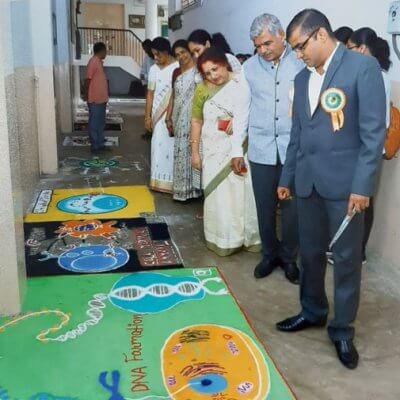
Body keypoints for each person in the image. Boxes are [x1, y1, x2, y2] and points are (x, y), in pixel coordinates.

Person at [276, 9, 386, 369]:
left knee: (346, 261)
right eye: (294, 49)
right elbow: (298, 134)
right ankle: (313, 310)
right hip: (307, 184)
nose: (297, 54)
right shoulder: (302, 77)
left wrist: (362, 187)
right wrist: (286, 178)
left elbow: (373, 135)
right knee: (309, 254)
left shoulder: (361, 69)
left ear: (320, 35)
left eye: (300, 46)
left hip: (345, 189)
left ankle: (342, 329)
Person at [242, 13, 303, 284]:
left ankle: (289, 258)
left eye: (267, 43)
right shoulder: (249, 68)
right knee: (264, 207)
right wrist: (236, 148)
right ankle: (269, 255)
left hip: (293, 150)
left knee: (291, 210)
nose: (262, 50)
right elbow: (242, 108)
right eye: (258, 46)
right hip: (261, 148)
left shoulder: (301, 62)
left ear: (281, 35)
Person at [190, 47, 260, 256]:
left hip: (239, 148)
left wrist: (238, 123)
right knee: (218, 196)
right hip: (212, 149)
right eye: (207, 73)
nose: (213, 76)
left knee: (243, 194)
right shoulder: (202, 88)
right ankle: (223, 238)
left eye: (215, 69)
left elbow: (254, 112)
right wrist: (195, 152)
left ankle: (248, 238)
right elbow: (196, 120)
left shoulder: (242, 84)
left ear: (225, 63)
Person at [346, 27, 391, 265]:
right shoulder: (373, 72)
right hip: (366, 147)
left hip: (369, 148)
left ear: (361, 49)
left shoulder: (374, 74)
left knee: (364, 199)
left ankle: (358, 252)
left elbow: (376, 121)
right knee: (363, 199)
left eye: (350, 49)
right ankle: (354, 250)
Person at [165, 40, 202, 201]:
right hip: (179, 118)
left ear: (189, 51)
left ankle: (196, 190)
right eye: (177, 54)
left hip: (195, 118)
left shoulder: (199, 70)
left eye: (183, 52)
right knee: (181, 152)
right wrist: (168, 116)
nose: (181, 56)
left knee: (194, 152)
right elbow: (173, 95)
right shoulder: (176, 72)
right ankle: (182, 190)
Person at [144, 37, 179, 193]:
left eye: (158, 55)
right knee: (158, 146)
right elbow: (150, 94)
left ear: (166, 52)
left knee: (172, 148)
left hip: (173, 115)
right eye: (153, 55)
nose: (156, 58)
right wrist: (147, 117)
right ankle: (158, 181)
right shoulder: (153, 70)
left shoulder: (178, 68)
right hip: (157, 117)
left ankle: (172, 183)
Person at [84, 42, 111, 154]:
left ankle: (100, 144)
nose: (106, 53)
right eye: (105, 51)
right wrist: (86, 95)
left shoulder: (99, 62)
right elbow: (88, 80)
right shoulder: (93, 61)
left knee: (100, 123)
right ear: (101, 51)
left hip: (101, 99)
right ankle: (95, 146)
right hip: (94, 99)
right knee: (94, 123)